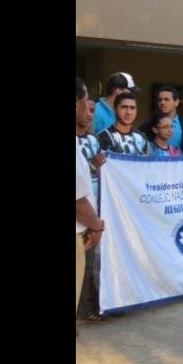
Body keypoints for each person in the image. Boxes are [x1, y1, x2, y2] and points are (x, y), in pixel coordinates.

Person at [76, 78, 104, 324]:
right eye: (85, 103)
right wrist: (96, 225)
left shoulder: (90, 142)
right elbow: (77, 200)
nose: (88, 111)